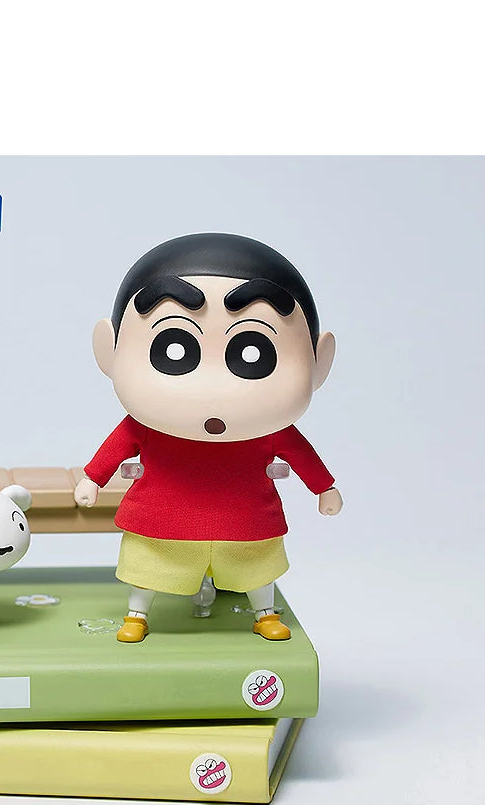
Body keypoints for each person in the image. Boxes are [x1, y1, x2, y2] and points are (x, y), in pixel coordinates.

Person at [74, 233, 342, 643]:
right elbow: (115, 449)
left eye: (254, 352)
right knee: (148, 566)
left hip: (247, 522)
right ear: (108, 352)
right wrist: (93, 478)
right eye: (174, 349)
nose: (213, 387)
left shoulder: (271, 431)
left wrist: (324, 487)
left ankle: (265, 613)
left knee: (257, 568)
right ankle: (137, 614)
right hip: (161, 520)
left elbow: (303, 456)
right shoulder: (145, 426)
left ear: (318, 363)